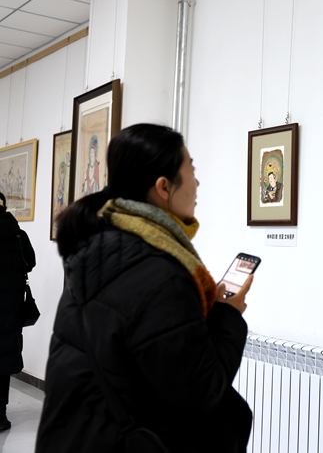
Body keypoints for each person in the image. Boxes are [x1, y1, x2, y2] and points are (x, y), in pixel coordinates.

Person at [36, 124, 253, 453]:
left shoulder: (103, 249)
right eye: (192, 170)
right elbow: (202, 389)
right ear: (164, 187)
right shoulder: (159, 275)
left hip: (76, 434)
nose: (197, 183)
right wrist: (227, 316)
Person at [0, 191, 36, 432]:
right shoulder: (18, 234)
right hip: (10, 310)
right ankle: (0, 415)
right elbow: (30, 263)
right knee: (3, 361)